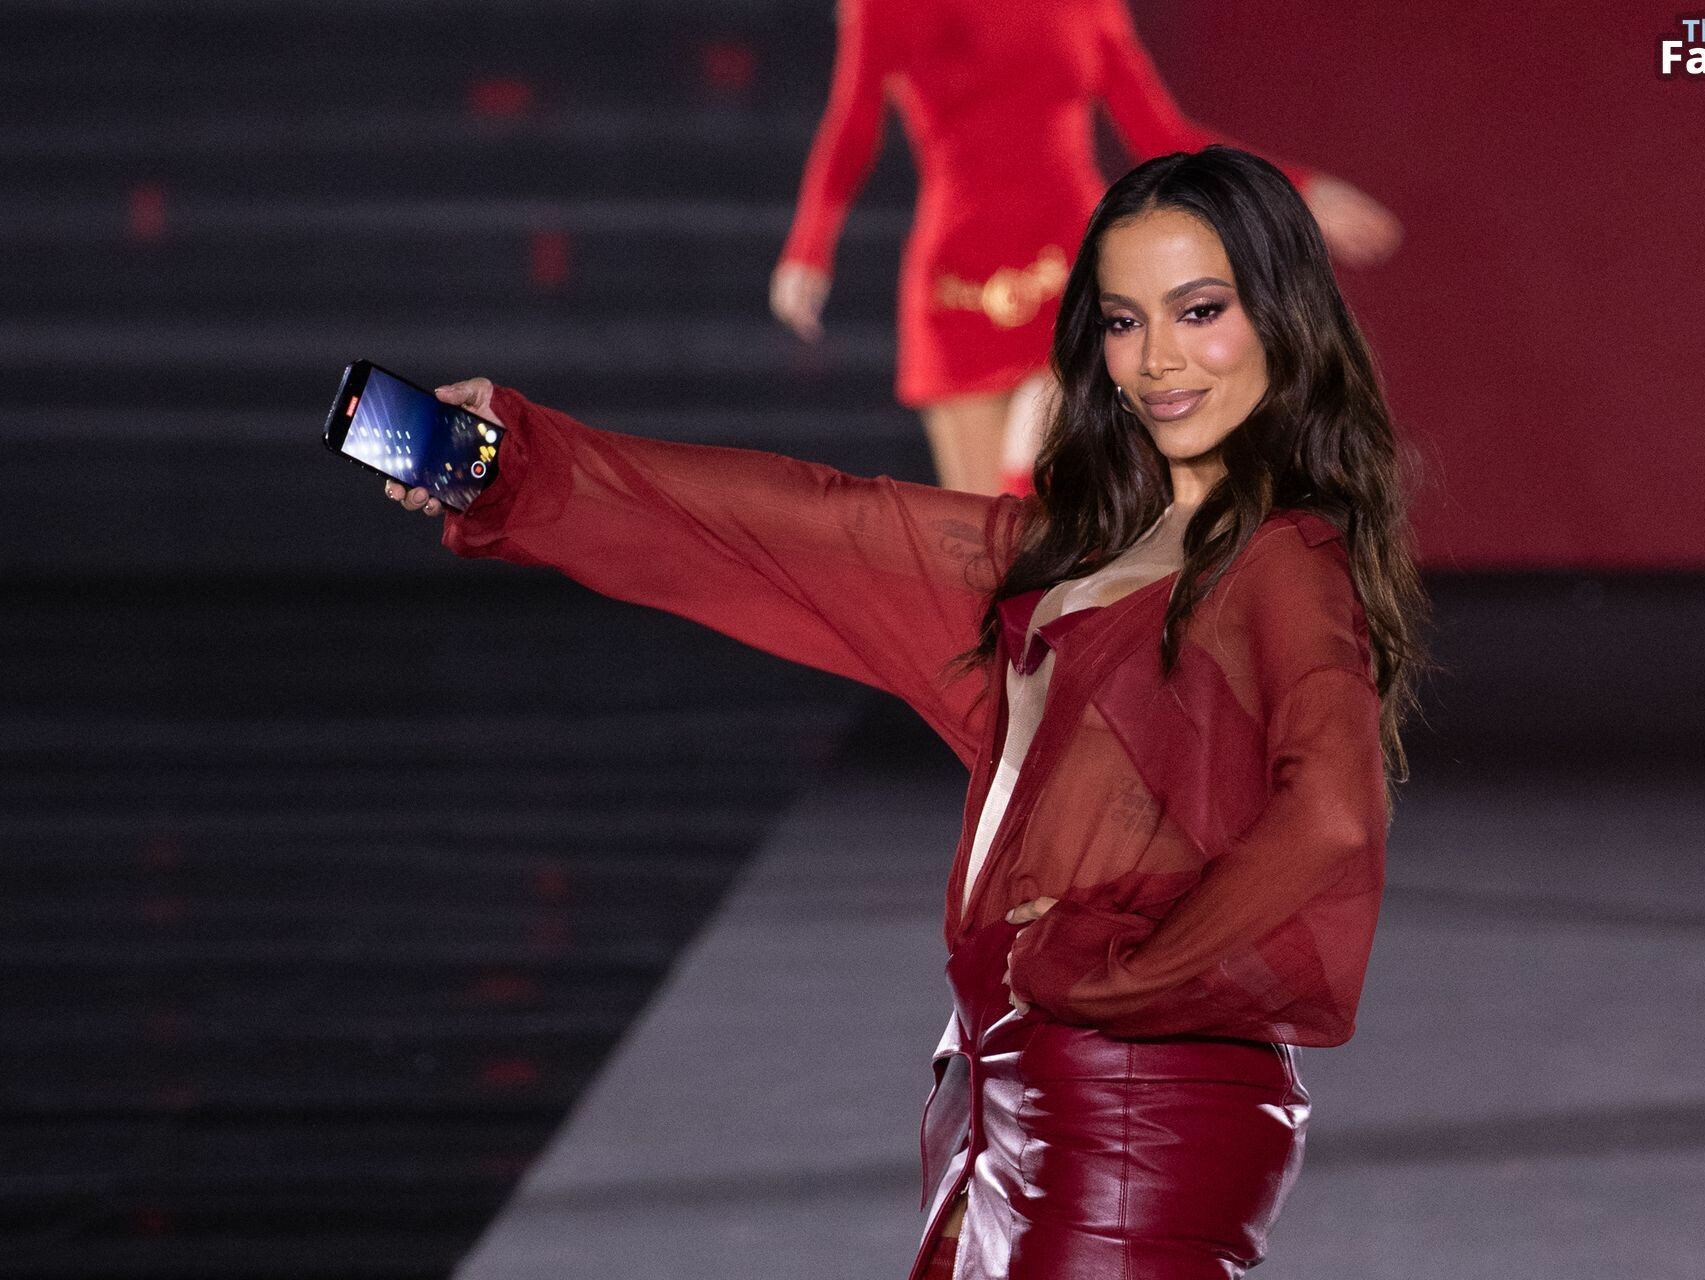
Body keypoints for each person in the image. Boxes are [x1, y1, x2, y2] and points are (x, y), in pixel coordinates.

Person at [386, 145, 1426, 1280]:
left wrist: (1123, 974)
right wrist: (513, 467)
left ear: (1281, 314)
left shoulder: (1282, 560)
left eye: (1201, 310)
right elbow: (797, 528)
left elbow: (1333, 811)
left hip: (1132, 1104)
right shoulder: (1068, 556)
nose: (1159, 357)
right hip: (1015, 1085)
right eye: (1125, 321)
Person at [768, 0, 1404, 498]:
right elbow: (852, 126)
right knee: (979, 536)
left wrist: (1297, 188)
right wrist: (808, 250)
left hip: (1080, 271)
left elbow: (1160, 132)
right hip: (960, 284)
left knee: (1056, 455)